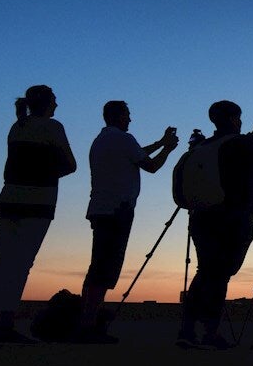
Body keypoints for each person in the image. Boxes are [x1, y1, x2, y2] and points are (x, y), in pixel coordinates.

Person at [176, 100, 253, 349]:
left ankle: (187, 330)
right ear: (235, 118)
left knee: (205, 271)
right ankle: (210, 333)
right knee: (219, 274)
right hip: (233, 218)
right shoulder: (239, 143)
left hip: (201, 217)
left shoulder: (204, 145)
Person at [0, 85, 77, 344]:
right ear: (47, 104)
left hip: (10, 199)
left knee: (1, 260)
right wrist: (46, 173)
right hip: (38, 201)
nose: (57, 105)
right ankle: (6, 322)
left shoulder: (18, 126)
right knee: (21, 263)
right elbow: (70, 164)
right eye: (55, 101)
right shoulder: (52, 127)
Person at [77, 101, 180, 342]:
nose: (130, 120)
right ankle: (88, 325)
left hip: (103, 208)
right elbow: (151, 165)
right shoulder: (123, 139)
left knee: (99, 265)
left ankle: (87, 320)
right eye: (128, 115)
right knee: (104, 267)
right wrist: (168, 150)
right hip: (116, 210)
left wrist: (160, 143)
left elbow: (136, 154)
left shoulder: (105, 139)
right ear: (120, 116)